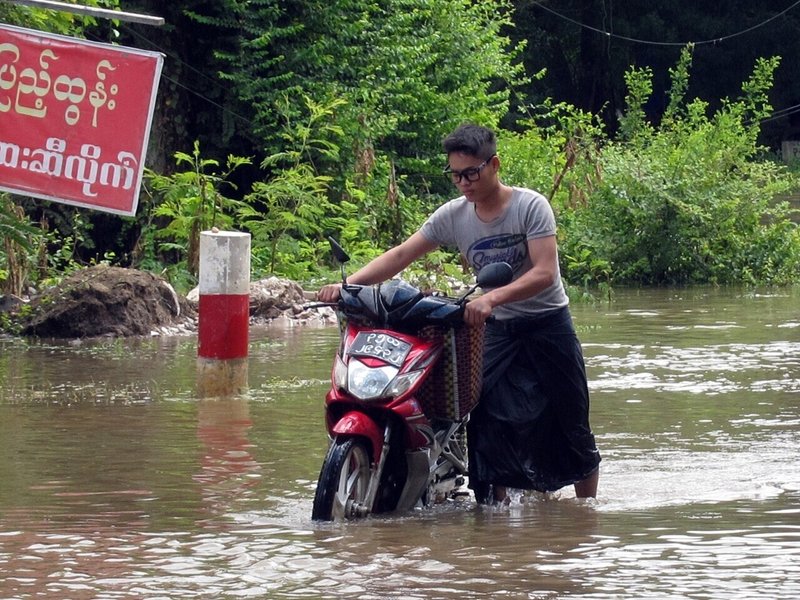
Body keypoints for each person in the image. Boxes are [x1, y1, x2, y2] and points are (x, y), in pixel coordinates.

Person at [317, 123, 600, 503]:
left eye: (471, 173)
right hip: (495, 327)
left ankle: (587, 512)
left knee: (571, 418)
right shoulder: (454, 215)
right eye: (456, 175)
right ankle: (493, 512)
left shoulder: (530, 206)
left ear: (494, 164)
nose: (464, 183)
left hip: (548, 322)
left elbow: (544, 272)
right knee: (485, 418)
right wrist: (349, 286)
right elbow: (402, 254)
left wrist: (490, 299)